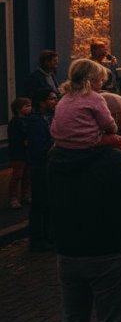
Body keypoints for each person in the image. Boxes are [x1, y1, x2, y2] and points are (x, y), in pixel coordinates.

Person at [49, 91, 121, 322]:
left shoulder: (57, 156)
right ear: (110, 118)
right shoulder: (113, 159)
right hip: (108, 251)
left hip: (68, 251)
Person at [49, 59, 121, 153]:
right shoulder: (94, 97)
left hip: (62, 142)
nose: (102, 83)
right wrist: (114, 129)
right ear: (91, 81)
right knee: (120, 141)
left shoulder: (65, 97)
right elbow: (107, 124)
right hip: (86, 142)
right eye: (101, 80)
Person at [27, 89, 57, 250]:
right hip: (40, 167)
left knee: (48, 202)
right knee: (40, 203)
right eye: (51, 99)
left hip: (47, 165)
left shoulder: (48, 118)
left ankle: (48, 235)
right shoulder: (36, 121)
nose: (54, 101)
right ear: (42, 102)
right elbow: (38, 148)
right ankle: (38, 239)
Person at [8, 98, 32, 208]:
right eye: (26, 106)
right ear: (18, 109)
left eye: (29, 105)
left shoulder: (28, 120)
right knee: (17, 175)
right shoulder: (15, 122)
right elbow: (15, 138)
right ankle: (13, 197)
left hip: (26, 151)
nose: (29, 108)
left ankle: (25, 195)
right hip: (18, 152)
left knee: (27, 174)